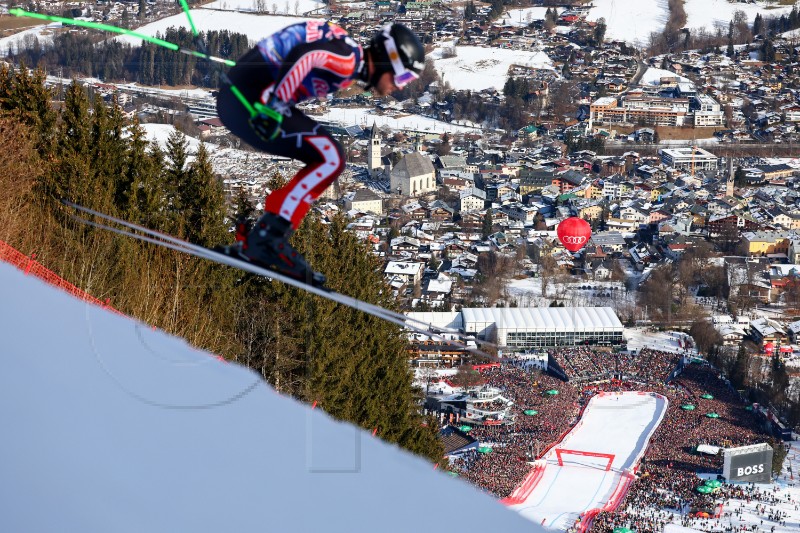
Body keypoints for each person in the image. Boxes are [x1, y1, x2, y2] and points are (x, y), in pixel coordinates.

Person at [216, 21, 425, 285]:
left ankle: (263, 236)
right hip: (250, 102)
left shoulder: (347, 58)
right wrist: (277, 104)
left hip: (244, 99)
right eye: (403, 77)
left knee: (328, 157)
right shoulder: (347, 60)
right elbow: (307, 55)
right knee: (331, 157)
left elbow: (302, 46)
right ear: (388, 62)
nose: (401, 86)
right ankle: (267, 237)